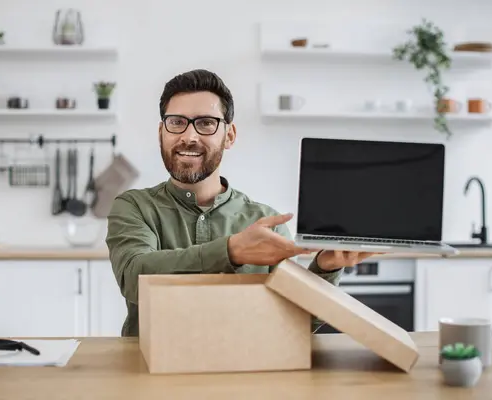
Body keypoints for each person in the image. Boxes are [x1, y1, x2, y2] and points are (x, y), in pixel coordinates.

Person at [106, 69, 377, 337]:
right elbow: (133, 277)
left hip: (244, 373)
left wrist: (326, 268)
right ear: (161, 133)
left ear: (230, 135)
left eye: (206, 123)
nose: (188, 136)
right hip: (148, 373)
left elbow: (297, 322)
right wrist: (231, 251)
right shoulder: (134, 206)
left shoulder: (265, 223)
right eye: (176, 122)